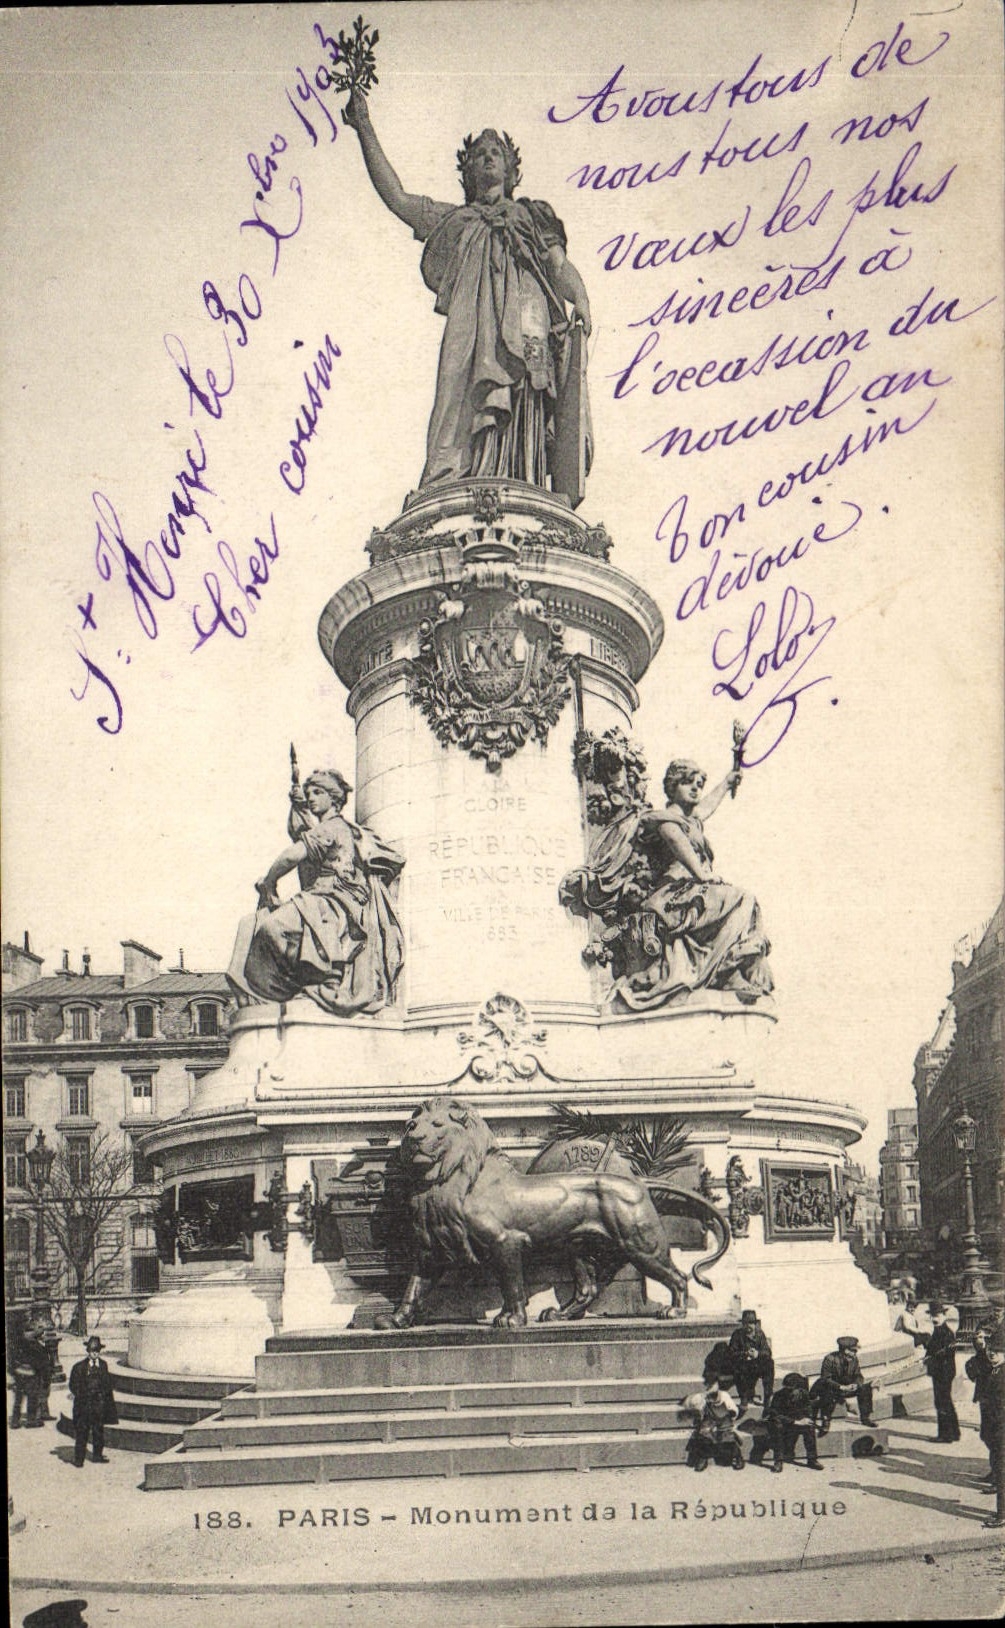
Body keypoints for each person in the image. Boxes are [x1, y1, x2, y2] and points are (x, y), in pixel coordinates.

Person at [343, 90, 592, 501]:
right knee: (457, 387)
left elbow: (558, 264)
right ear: (468, 170)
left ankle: (522, 481)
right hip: (470, 325)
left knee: (525, 390)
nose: (488, 158)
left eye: (496, 152)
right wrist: (364, 126)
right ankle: (453, 476)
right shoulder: (455, 219)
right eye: (479, 154)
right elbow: (398, 199)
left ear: (511, 169)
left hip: (527, 317)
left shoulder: (532, 215)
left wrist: (580, 297)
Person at [561, 761, 773, 1011]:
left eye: (700, 785)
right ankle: (726, 969)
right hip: (671, 895)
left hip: (691, 890)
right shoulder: (662, 819)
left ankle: (729, 970)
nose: (696, 789)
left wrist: (728, 781)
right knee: (740, 899)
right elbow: (677, 843)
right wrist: (703, 875)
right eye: (688, 782)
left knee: (746, 902)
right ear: (672, 786)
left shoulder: (690, 820)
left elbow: (706, 807)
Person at [231, 770, 405, 1017]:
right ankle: (305, 982)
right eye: (309, 793)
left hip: (335, 900)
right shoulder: (332, 827)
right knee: (253, 925)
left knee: (274, 926)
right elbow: (301, 832)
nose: (311, 797)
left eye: (318, 792)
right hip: (324, 897)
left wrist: (270, 882)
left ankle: (322, 981)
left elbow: (292, 855)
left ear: (334, 798)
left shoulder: (332, 827)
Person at [753, 1372, 824, 1473]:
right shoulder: (778, 1396)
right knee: (777, 1427)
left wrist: (807, 1419)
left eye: (791, 1389)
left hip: (797, 1422)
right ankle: (778, 1461)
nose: (788, 1391)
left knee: (809, 1427)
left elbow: (808, 1411)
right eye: (787, 1388)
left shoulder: (804, 1395)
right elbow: (775, 1415)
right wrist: (795, 1422)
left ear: (799, 1388)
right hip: (783, 1423)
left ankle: (812, 1459)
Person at [809, 1336, 878, 1434]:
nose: (855, 1353)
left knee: (865, 1388)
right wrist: (840, 1387)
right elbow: (825, 1379)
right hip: (832, 1388)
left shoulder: (854, 1359)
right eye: (853, 1351)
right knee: (826, 1391)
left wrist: (856, 1384)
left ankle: (865, 1418)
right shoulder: (830, 1359)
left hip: (847, 1388)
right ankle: (826, 1421)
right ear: (845, 1350)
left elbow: (858, 1375)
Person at [68, 1336, 118, 1467]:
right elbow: (73, 1385)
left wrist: (104, 1400)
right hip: (84, 1406)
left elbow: (107, 1384)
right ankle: (79, 1459)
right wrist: (82, 1396)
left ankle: (97, 1455)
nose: (94, 1353)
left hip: (99, 1406)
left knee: (98, 1431)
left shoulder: (103, 1365)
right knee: (82, 1433)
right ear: (88, 1351)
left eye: (97, 1350)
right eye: (92, 1350)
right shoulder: (79, 1367)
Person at [683, 1374, 745, 1471]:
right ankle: (703, 1458)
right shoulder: (703, 1398)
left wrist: (731, 1413)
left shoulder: (724, 1396)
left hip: (724, 1420)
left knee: (728, 1436)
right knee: (704, 1435)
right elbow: (699, 1411)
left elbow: (734, 1410)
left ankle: (737, 1457)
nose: (712, 1388)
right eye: (710, 1386)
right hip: (710, 1421)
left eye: (714, 1385)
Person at [724, 1310, 776, 1413]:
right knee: (738, 1368)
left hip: (756, 1365)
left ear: (755, 1324)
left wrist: (757, 1354)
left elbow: (767, 1352)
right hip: (743, 1365)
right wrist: (745, 1354)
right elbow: (731, 1354)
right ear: (742, 1324)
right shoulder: (737, 1335)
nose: (748, 1326)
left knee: (769, 1364)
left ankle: (767, 1399)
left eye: (751, 1323)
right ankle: (744, 1399)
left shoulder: (760, 1334)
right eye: (745, 1323)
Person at [924, 1302, 960, 1443]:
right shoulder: (939, 1330)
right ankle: (954, 1433)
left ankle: (945, 1435)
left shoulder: (946, 1332)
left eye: (938, 1315)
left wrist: (932, 1357)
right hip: (941, 1372)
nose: (935, 1318)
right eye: (933, 1315)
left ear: (944, 1315)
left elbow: (947, 1352)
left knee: (942, 1402)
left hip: (943, 1373)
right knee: (946, 1402)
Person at [8, 1321, 52, 1429]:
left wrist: (13, 1372)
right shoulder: (37, 1347)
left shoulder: (18, 1344)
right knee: (32, 1398)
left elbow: (11, 1360)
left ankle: (15, 1421)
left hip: (19, 1374)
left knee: (18, 1399)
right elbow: (43, 1364)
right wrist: (46, 1378)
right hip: (32, 1375)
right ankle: (31, 1421)